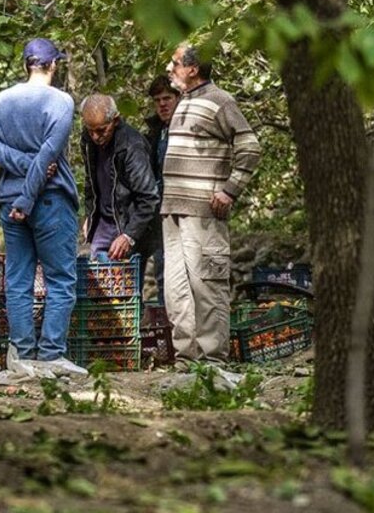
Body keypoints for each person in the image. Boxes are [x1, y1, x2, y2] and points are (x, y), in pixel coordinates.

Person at [0, 38, 85, 376]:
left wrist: (19, 171)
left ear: (26, 64)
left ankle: (23, 354)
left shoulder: (1, 100)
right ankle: (51, 355)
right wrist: (28, 194)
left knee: (18, 280)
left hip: (10, 200)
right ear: (53, 65)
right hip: (47, 201)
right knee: (60, 279)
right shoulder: (61, 101)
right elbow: (47, 156)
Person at [161, 43, 261, 367]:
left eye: (174, 63)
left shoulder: (220, 100)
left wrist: (230, 190)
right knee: (176, 293)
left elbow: (250, 146)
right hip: (173, 210)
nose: (169, 68)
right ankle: (187, 362)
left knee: (208, 287)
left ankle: (213, 363)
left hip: (204, 212)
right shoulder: (184, 101)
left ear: (193, 69)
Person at [79, 94, 159, 261]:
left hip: (128, 222)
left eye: (101, 130)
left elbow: (148, 197)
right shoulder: (88, 141)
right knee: (95, 282)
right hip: (102, 222)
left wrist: (129, 235)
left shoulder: (132, 145)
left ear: (115, 121)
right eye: (90, 130)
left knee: (127, 284)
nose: (95, 136)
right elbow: (90, 183)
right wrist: (90, 215)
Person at [143, 75, 179, 303]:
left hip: (182, 210)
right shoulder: (156, 132)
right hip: (159, 212)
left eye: (167, 98)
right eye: (157, 100)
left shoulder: (184, 129)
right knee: (162, 271)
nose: (162, 105)